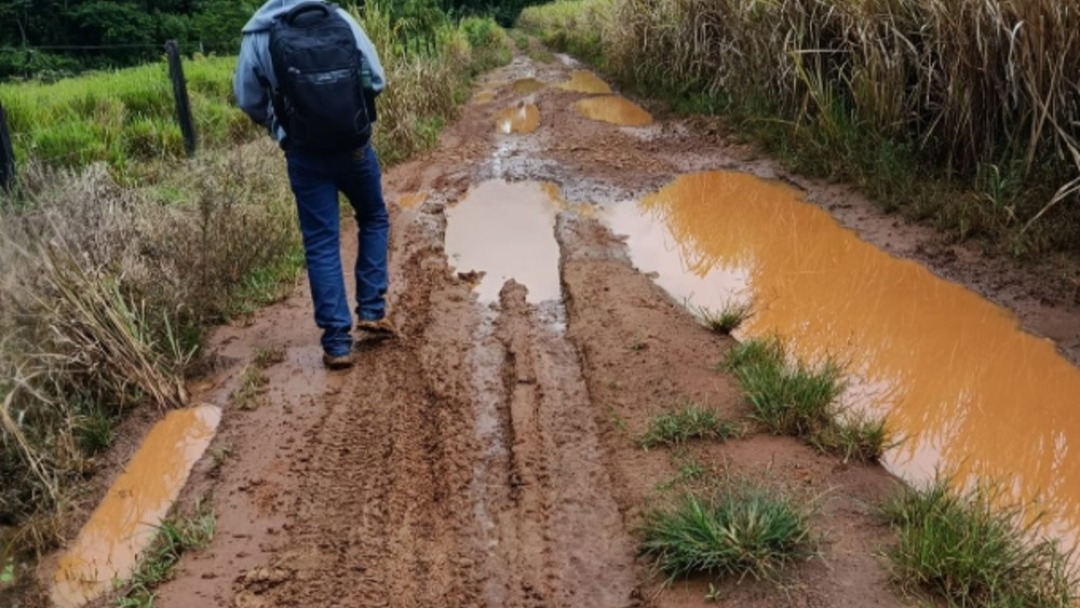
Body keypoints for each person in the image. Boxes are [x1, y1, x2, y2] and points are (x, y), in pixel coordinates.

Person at [234, 0, 396, 370]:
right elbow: (377, 78)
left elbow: (247, 99)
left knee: (322, 242)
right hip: (354, 147)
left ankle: (338, 344)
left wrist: (281, 128)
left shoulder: (257, 33)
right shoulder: (338, 18)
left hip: (304, 153)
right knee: (373, 217)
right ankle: (372, 309)